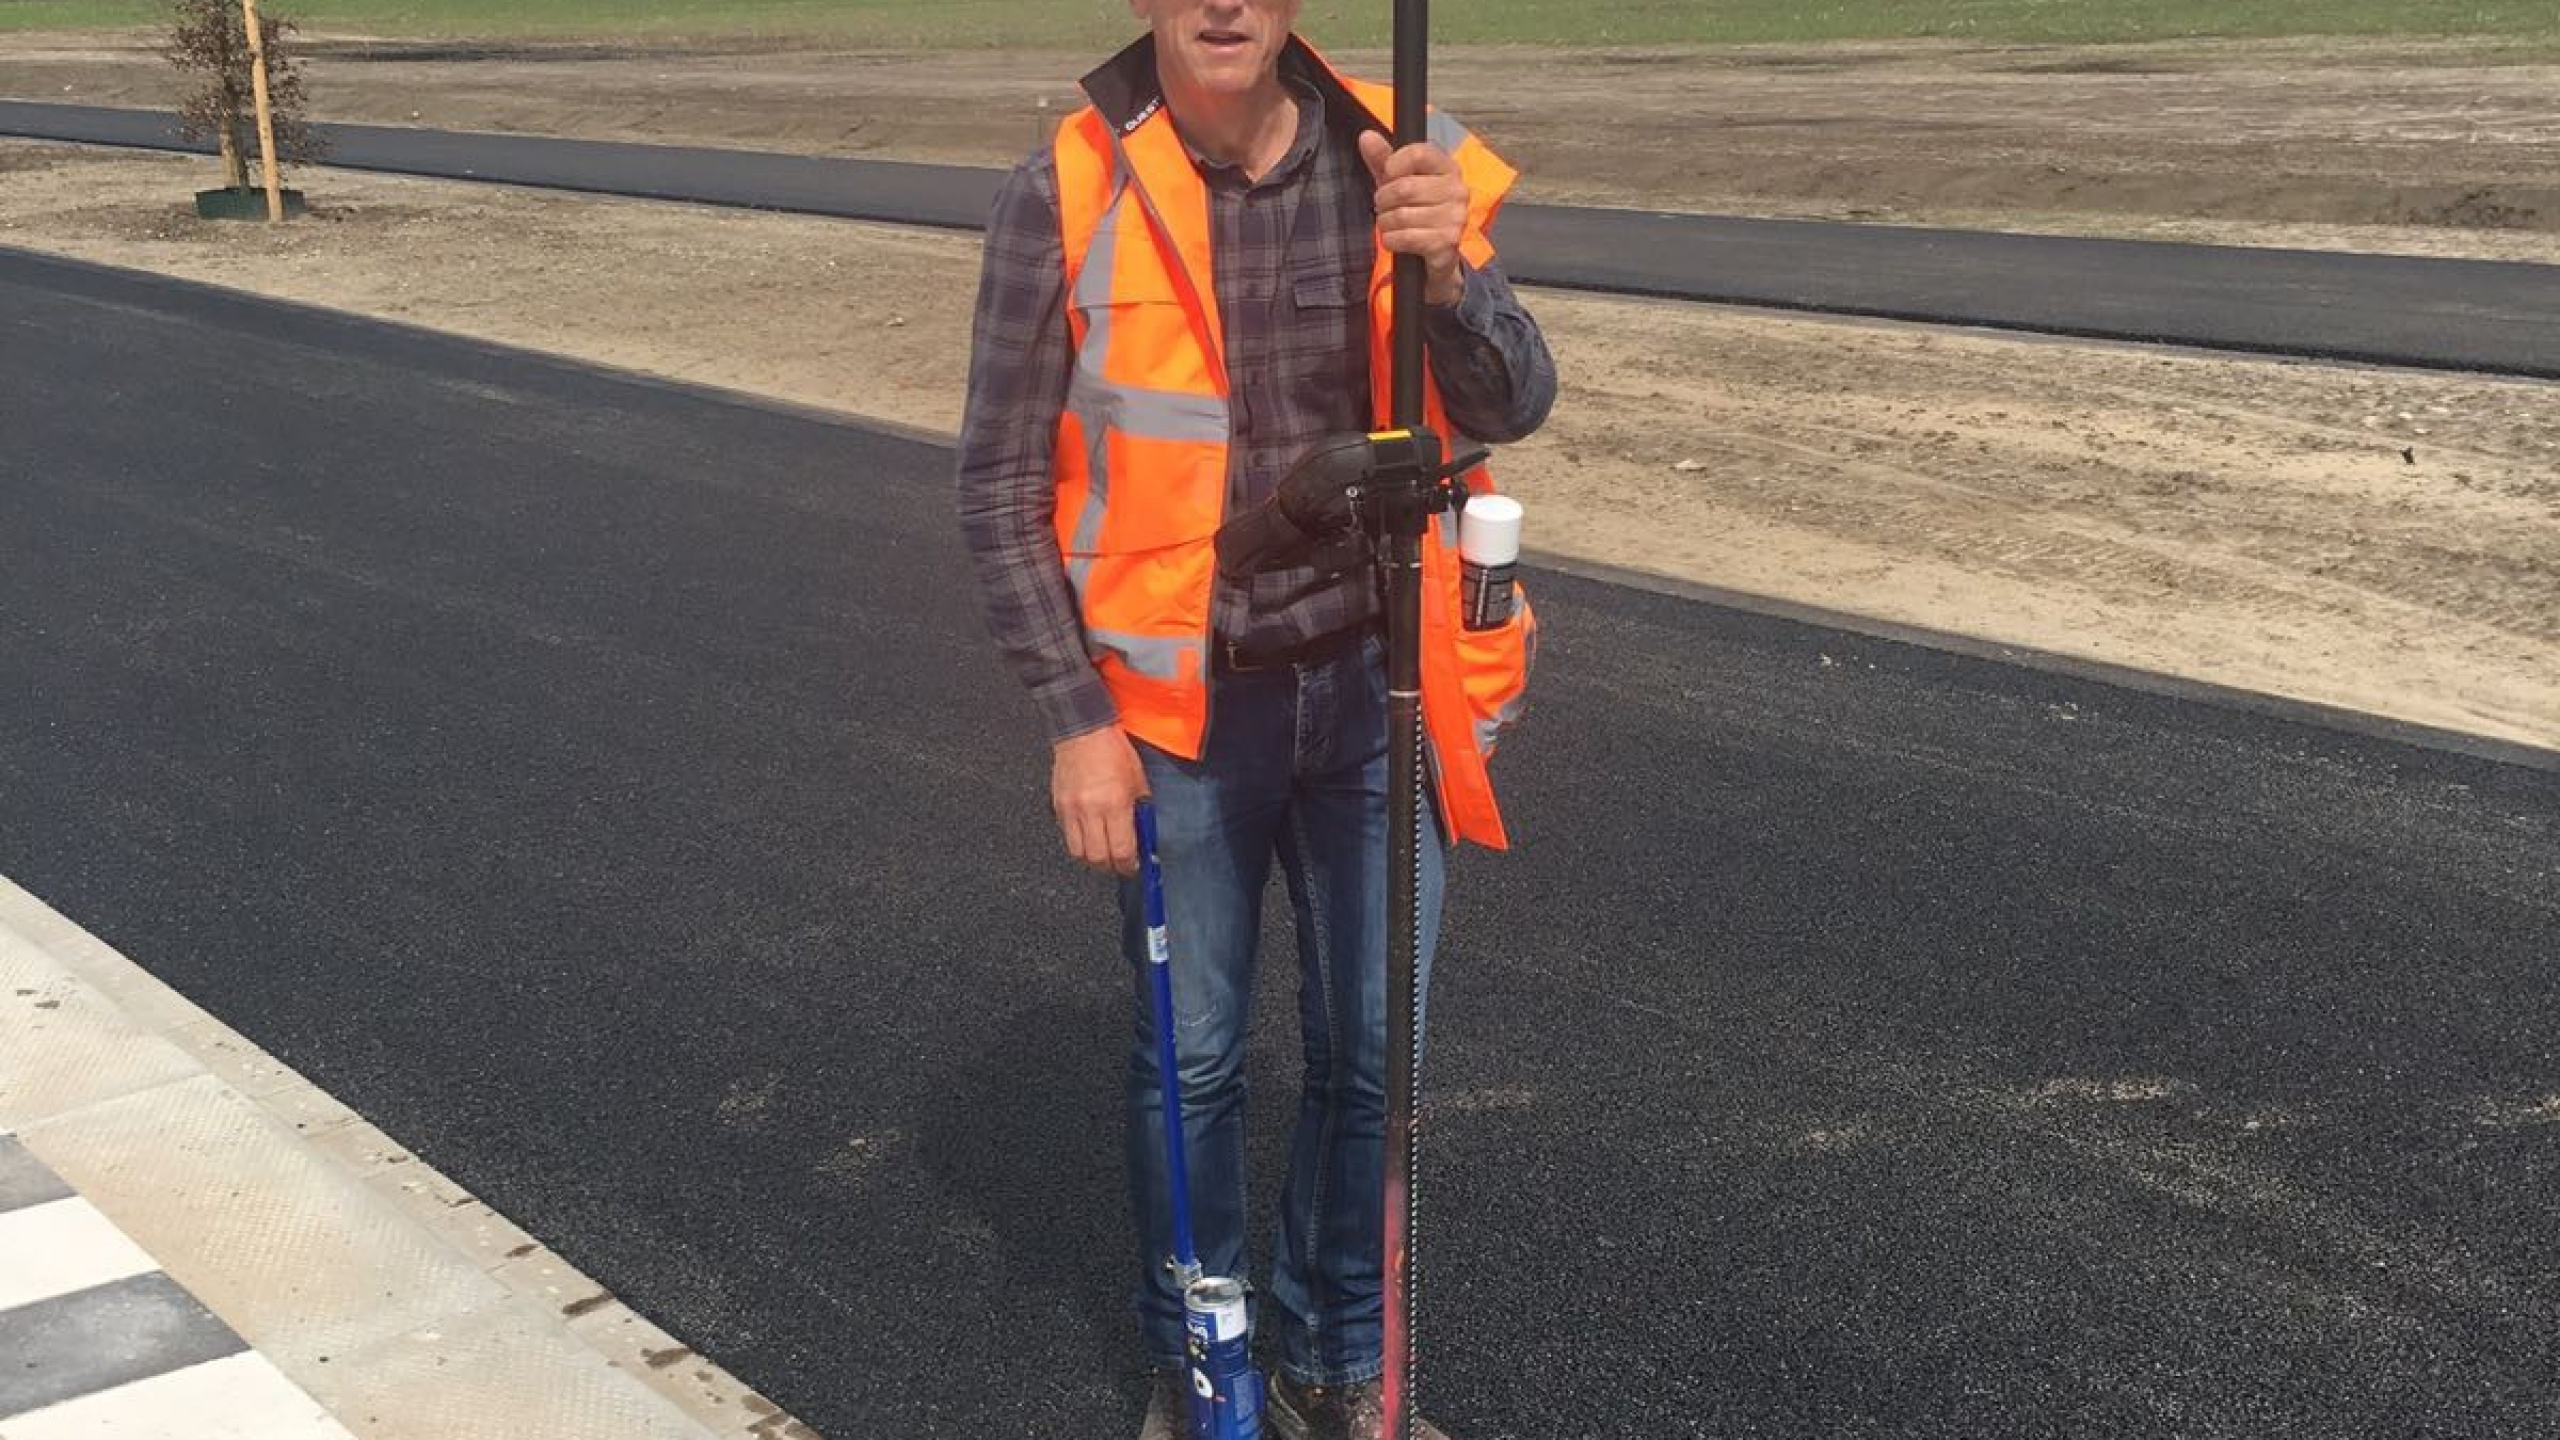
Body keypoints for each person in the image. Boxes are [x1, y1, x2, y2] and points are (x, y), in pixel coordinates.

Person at [955, 1, 1554, 1435]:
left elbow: (1516, 399)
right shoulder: (1069, 186)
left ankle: (1338, 1362)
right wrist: (1074, 720)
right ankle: (1205, 1362)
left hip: (1378, 691)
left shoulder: (1400, 160)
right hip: (1181, 712)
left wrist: (1446, 267)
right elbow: (995, 485)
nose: (1223, 3)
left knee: (1371, 1051)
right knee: (1197, 1058)